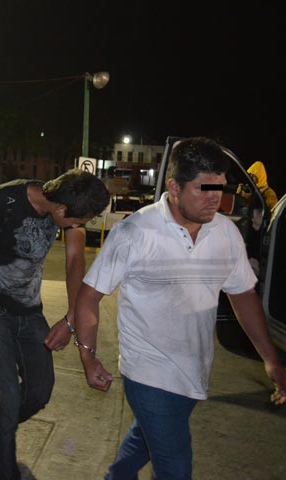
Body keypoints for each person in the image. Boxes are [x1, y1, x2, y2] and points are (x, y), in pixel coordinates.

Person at [74, 137, 286, 479]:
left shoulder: (226, 233)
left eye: (219, 188)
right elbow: (88, 297)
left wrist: (271, 358)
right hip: (148, 372)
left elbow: (243, 295)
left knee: (146, 439)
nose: (214, 198)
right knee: (174, 465)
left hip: (195, 369)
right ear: (173, 187)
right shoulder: (134, 232)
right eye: (203, 189)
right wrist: (88, 356)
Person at [0, 169, 110, 480]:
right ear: (60, 209)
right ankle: (4, 468)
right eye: (79, 221)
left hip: (29, 310)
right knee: (8, 396)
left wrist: (71, 318)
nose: (80, 227)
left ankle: (2, 414)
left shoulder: (69, 212)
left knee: (39, 391)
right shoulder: (5, 197)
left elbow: (74, 262)